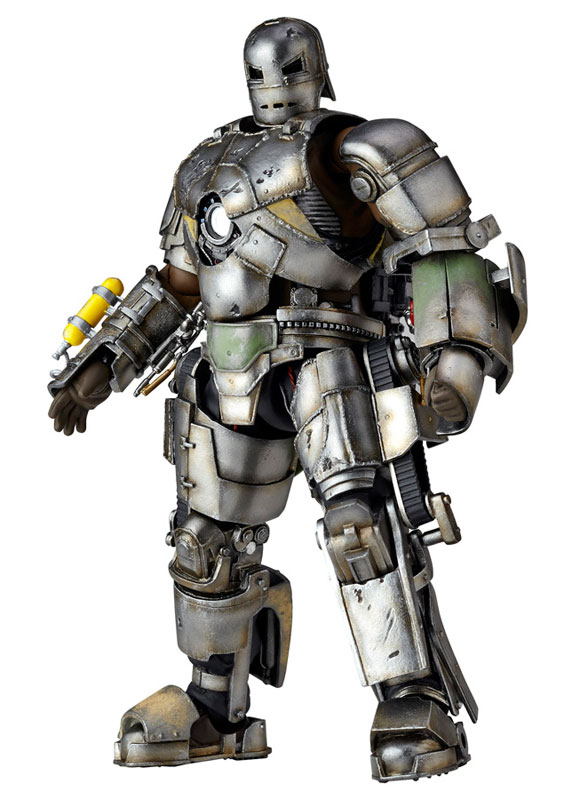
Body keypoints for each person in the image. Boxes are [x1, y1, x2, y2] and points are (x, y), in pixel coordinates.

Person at [48, 17, 527, 781]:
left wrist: (456, 364)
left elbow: (445, 248)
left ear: (317, 70)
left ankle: (413, 697)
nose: (276, 86)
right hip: (227, 371)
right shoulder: (203, 164)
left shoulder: (362, 148)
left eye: (289, 70)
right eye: (264, 74)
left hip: (327, 363)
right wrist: (102, 364)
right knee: (204, 546)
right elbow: (180, 283)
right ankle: (215, 710)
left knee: (357, 527)